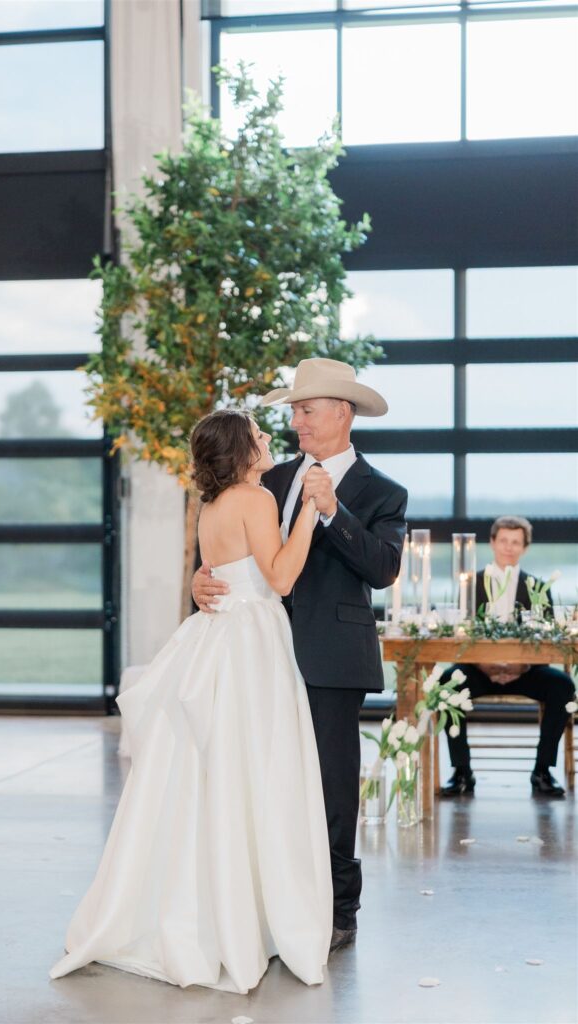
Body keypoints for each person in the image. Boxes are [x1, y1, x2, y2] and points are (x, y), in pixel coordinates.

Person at [50, 409, 334, 994]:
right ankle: (249, 915)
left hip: (219, 638)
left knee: (210, 774)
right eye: (257, 434)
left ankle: (213, 910)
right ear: (242, 450)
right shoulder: (254, 499)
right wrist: (309, 510)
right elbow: (279, 579)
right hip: (251, 643)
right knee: (257, 770)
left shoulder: (209, 505)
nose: (266, 439)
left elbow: (221, 569)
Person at [193, 357, 407, 952]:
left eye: (306, 410)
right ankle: (271, 899)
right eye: (291, 412)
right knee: (263, 781)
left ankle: (341, 907)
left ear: (342, 413)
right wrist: (200, 583)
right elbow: (228, 553)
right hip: (255, 654)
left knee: (332, 783)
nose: (295, 423)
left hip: (331, 656)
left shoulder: (384, 491)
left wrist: (333, 511)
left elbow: (384, 568)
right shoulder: (264, 479)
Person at [439, 515, 573, 799]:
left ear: (525, 547)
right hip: (479, 670)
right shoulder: (470, 583)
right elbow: (459, 635)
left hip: (524, 671)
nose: (509, 548)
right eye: (504, 541)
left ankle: (542, 771)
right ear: (492, 543)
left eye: (516, 542)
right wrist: (483, 663)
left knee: (563, 686)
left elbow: (547, 640)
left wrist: (521, 665)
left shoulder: (538, 587)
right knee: (447, 683)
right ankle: (462, 771)